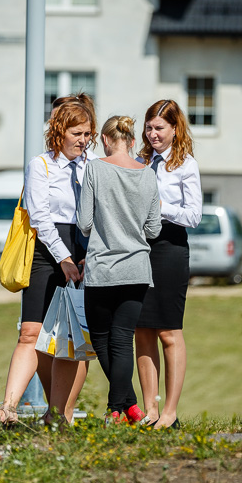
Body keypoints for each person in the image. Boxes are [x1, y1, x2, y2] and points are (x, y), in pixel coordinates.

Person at [0, 100, 98, 425]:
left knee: (75, 339)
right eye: (77, 133)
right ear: (59, 132)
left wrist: (88, 254)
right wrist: (63, 258)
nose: (83, 140)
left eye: (87, 134)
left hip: (83, 251)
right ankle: (8, 408)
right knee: (30, 333)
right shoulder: (41, 165)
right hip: (46, 251)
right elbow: (39, 217)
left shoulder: (94, 165)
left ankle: (60, 414)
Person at [77, 116, 161, 425]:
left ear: (104, 140)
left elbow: (84, 223)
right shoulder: (148, 174)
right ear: (132, 141)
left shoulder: (95, 169)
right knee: (123, 340)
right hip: (137, 268)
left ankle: (116, 408)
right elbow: (153, 230)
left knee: (101, 339)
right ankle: (130, 408)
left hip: (102, 268)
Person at [135, 99, 202, 430]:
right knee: (142, 328)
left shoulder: (185, 165)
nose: (153, 134)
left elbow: (194, 216)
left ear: (175, 129)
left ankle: (170, 412)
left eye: (159, 128)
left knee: (168, 331)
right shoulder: (139, 162)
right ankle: (150, 410)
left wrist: (160, 205)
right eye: (148, 128)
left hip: (171, 247)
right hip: (139, 248)